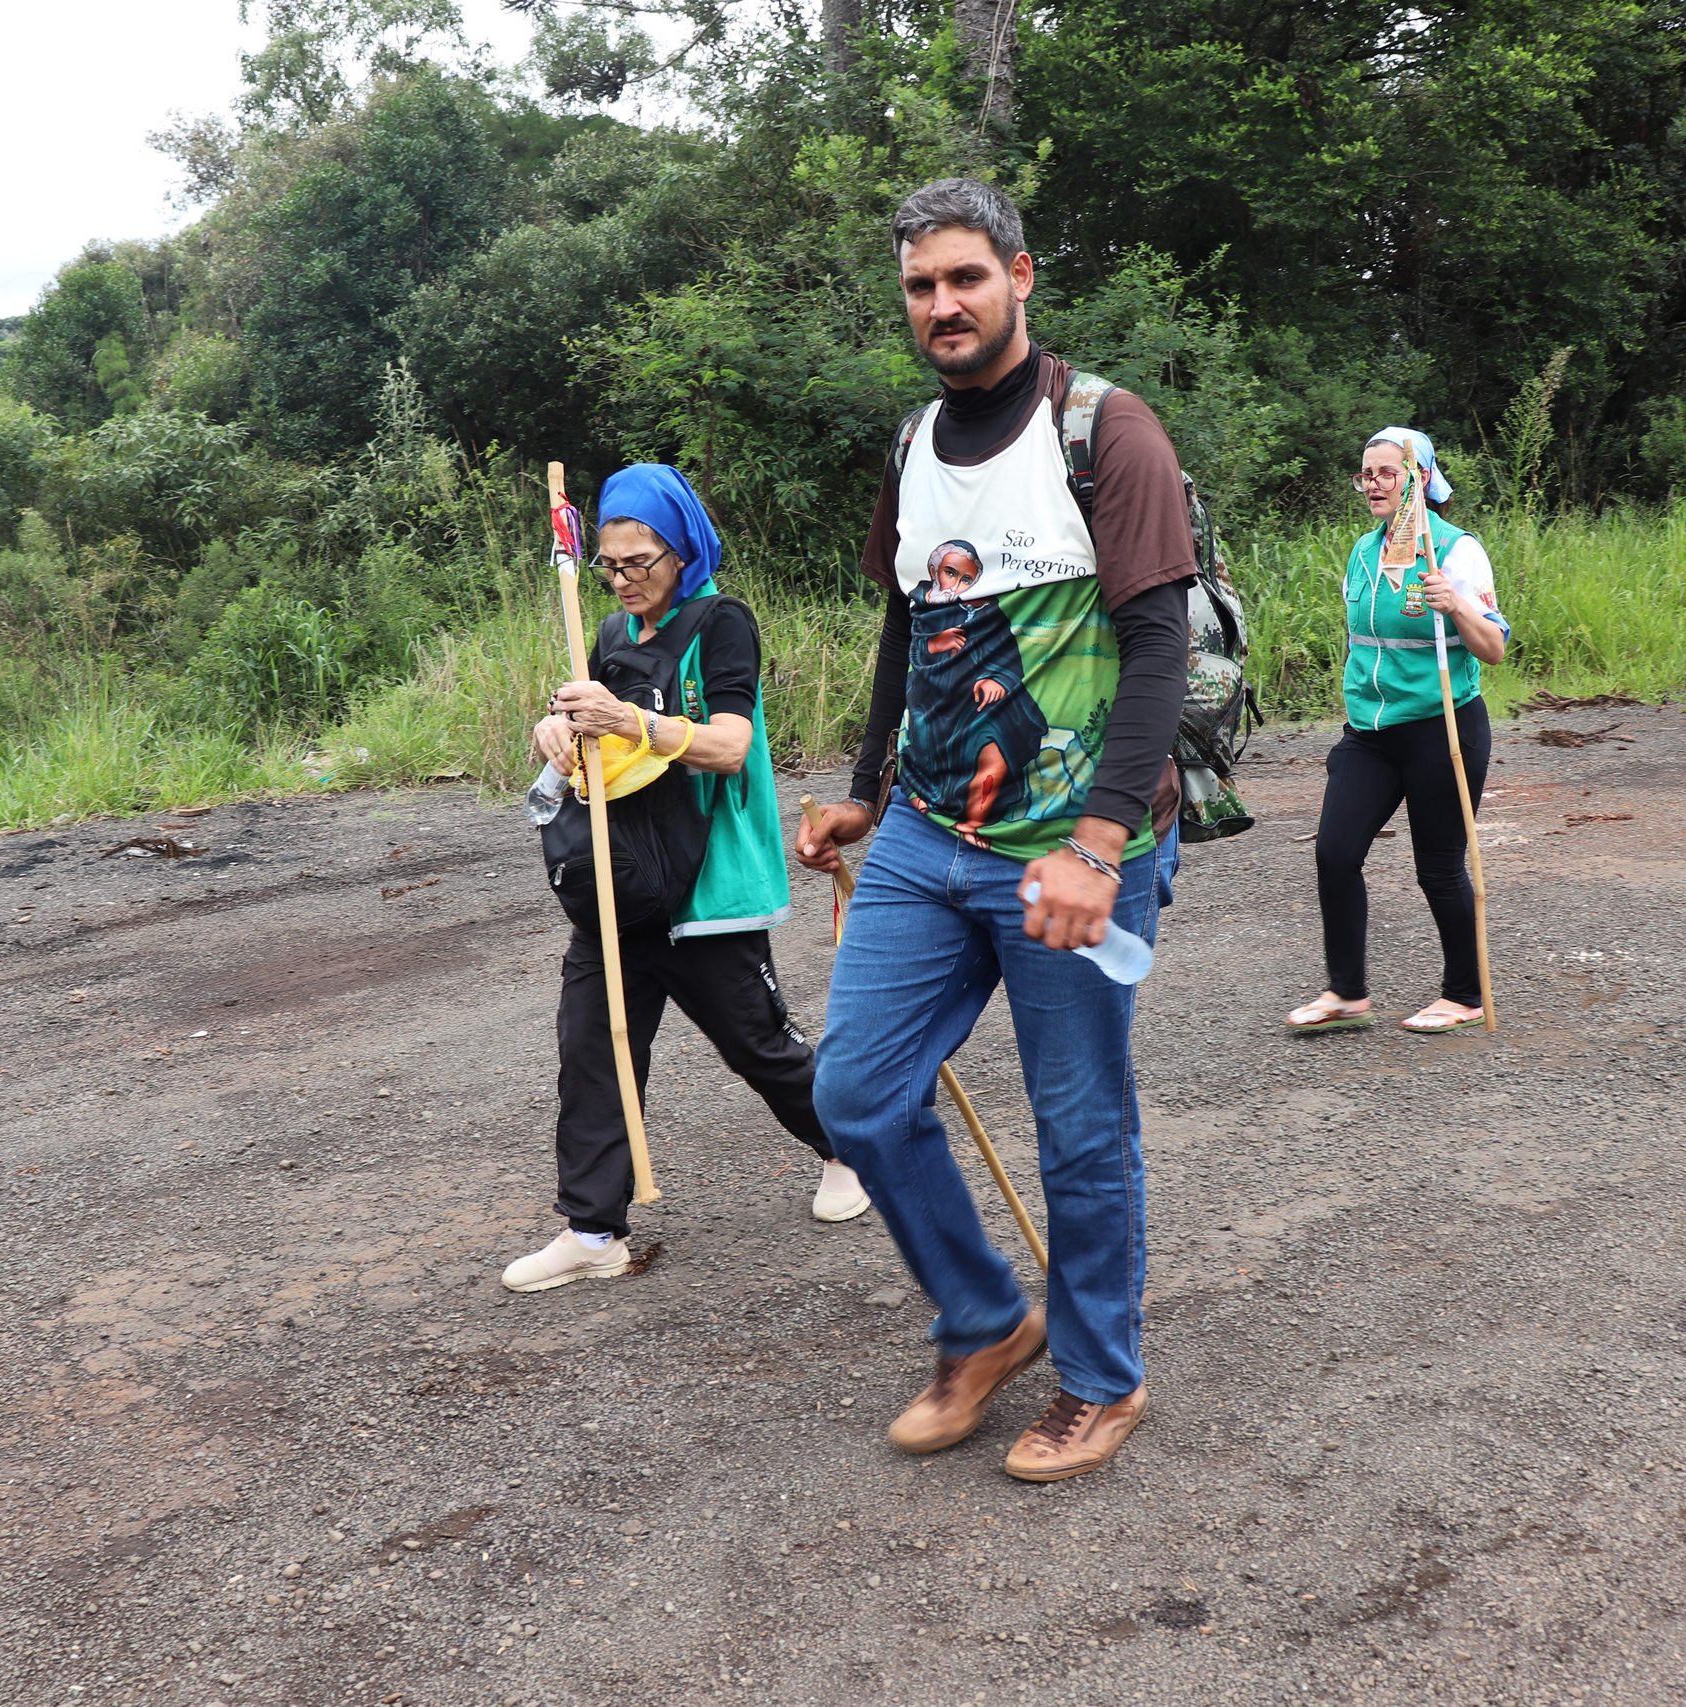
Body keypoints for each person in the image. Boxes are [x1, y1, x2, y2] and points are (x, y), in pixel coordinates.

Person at [798, 178, 1192, 1482]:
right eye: (921, 285)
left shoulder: (1104, 429)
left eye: (965, 276)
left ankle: (1100, 1378)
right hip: (928, 833)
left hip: (1070, 844)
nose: (943, 304)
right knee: (856, 1091)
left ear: (1019, 276)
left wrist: (1097, 844)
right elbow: (907, 625)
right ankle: (982, 1320)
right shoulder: (914, 443)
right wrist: (866, 786)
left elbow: (1158, 647)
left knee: (1078, 1126)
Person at [503, 464, 868, 1293]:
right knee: (592, 1049)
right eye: (610, 565)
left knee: (758, 1046)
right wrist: (556, 730)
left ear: (683, 549)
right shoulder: (606, 633)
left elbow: (730, 746)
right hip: (623, 878)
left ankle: (855, 1149)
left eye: (640, 561)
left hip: (708, 883)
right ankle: (593, 1230)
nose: (623, 579)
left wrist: (630, 718)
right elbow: (590, 732)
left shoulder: (721, 622)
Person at [1285, 428, 1511, 1037]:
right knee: (1335, 853)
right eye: (1366, 474)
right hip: (1370, 733)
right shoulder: (1362, 553)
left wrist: (1456, 605)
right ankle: (1346, 992)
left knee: (1437, 868)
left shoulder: (1456, 550)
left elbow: (1493, 649)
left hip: (1442, 729)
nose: (1373, 484)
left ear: (1420, 479)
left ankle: (1464, 994)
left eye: (1387, 472)